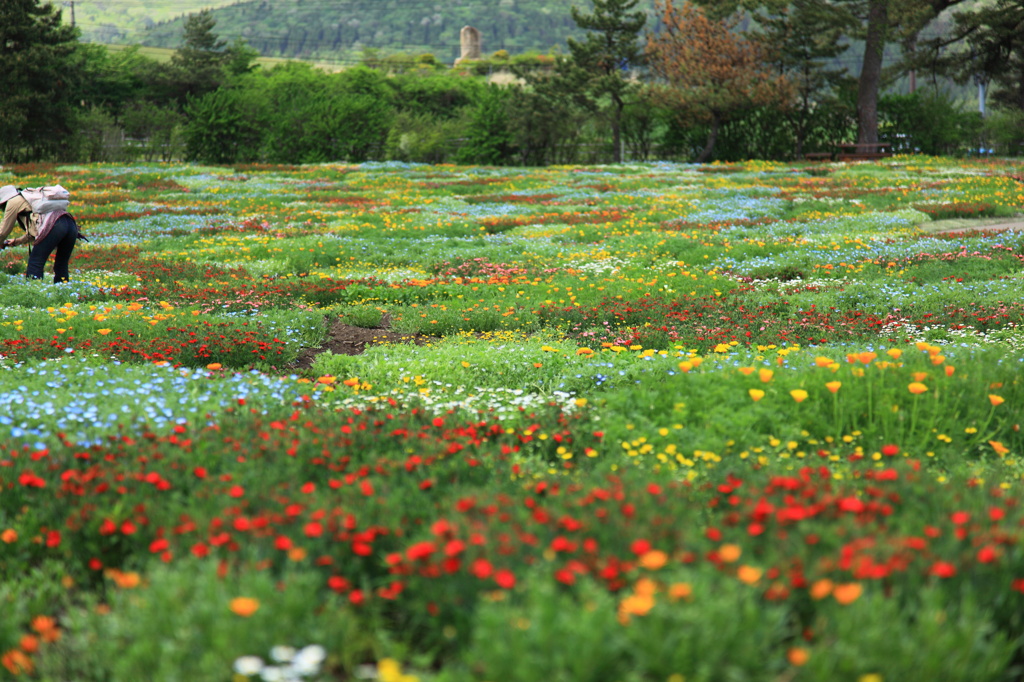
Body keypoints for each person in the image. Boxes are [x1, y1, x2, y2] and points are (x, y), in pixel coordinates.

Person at [0, 184, 79, 283]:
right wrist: (17, 241)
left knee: (35, 263)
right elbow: (36, 230)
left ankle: (35, 291)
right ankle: (64, 291)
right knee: (61, 264)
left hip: (55, 225)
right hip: (70, 224)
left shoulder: (13, 202)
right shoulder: (30, 199)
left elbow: (3, 231)